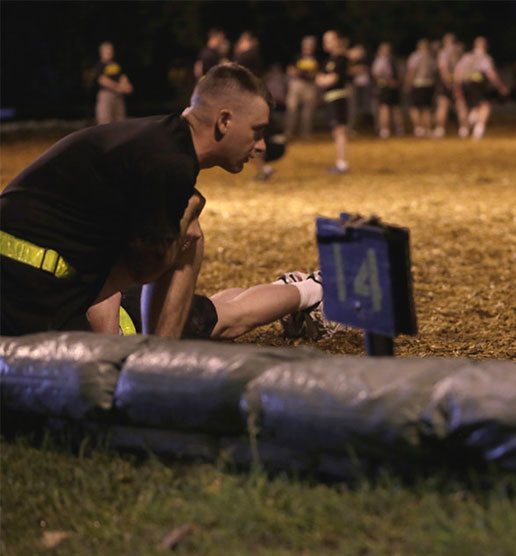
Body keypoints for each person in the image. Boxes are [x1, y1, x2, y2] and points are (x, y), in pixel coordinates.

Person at [0, 64, 271, 338]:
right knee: (189, 225)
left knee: (189, 228)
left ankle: (154, 355)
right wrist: (189, 210)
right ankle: (154, 357)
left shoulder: (156, 139)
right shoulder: (170, 163)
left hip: (27, 273)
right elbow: (145, 267)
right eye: (256, 131)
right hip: (26, 287)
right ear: (224, 121)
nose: (261, 146)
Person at [118, 270, 340, 341]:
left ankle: (316, 290)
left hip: (128, 320)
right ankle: (283, 290)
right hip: (125, 311)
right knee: (218, 310)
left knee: (230, 319)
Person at [453, 36, 509, 139]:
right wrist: (500, 86)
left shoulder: (466, 56)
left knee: (468, 105)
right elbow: (491, 74)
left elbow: (458, 71)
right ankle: (478, 129)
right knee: (485, 106)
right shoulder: (485, 58)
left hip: (464, 83)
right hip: (476, 83)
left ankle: (465, 128)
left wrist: (457, 87)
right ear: (485, 46)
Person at [316, 30, 349, 174]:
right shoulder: (330, 60)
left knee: (340, 131)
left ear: (337, 41)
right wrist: (324, 79)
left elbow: (331, 79)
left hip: (338, 98)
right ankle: (340, 162)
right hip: (331, 98)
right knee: (336, 131)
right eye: (325, 40)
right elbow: (320, 79)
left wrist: (324, 79)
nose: (325, 43)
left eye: (329, 40)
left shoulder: (340, 59)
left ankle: (342, 163)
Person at [284, 35, 320, 141]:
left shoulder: (316, 59)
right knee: (292, 108)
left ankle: (305, 133)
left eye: (310, 46)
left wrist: (311, 74)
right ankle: (289, 132)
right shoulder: (297, 56)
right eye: (306, 46)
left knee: (308, 111)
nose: (307, 48)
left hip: (310, 85)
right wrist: (297, 72)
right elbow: (289, 69)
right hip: (296, 84)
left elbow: (318, 72)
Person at [94, 41, 133, 125]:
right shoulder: (100, 65)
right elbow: (103, 80)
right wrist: (118, 87)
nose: (109, 52)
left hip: (118, 95)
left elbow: (122, 76)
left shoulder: (116, 65)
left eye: (110, 50)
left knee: (120, 119)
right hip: (106, 95)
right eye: (107, 50)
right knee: (105, 120)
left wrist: (127, 86)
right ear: (102, 52)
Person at [405, 38, 437, 137]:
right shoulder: (431, 57)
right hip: (429, 84)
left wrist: (408, 83)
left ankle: (418, 128)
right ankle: (426, 128)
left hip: (418, 84)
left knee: (415, 107)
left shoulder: (415, 56)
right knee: (427, 108)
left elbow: (411, 70)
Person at [372, 41, 404, 139]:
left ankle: (385, 130)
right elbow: (401, 73)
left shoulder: (381, 60)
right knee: (396, 108)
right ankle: (399, 129)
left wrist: (387, 82)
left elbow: (376, 74)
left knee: (385, 108)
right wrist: (396, 83)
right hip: (394, 86)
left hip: (385, 87)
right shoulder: (395, 60)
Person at [434, 33, 461, 138]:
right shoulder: (459, 51)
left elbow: (443, 67)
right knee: (460, 104)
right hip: (459, 79)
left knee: (442, 104)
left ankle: (440, 129)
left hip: (448, 79)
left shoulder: (444, 52)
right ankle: (464, 128)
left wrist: (447, 81)